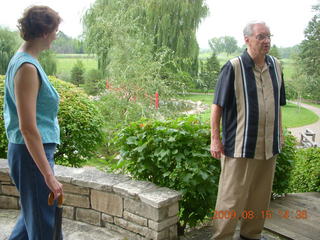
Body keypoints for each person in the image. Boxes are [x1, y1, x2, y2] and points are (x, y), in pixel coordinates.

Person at [210, 21, 286, 240]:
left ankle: (251, 235)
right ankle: (221, 237)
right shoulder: (233, 67)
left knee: (260, 197)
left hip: (269, 146)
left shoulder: (276, 66)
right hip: (239, 145)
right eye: (261, 36)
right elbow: (217, 107)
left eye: (269, 36)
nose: (267, 41)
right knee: (230, 198)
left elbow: (278, 105)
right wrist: (215, 139)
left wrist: (279, 134)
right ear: (247, 40)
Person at [3, 5, 63, 240]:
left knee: (31, 221)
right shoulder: (26, 67)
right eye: (56, 31)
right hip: (32, 156)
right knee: (43, 227)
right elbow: (27, 128)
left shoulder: (23, 60)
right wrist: (48, 175)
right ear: (46, 32)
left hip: (29, 154)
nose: (56, 36)